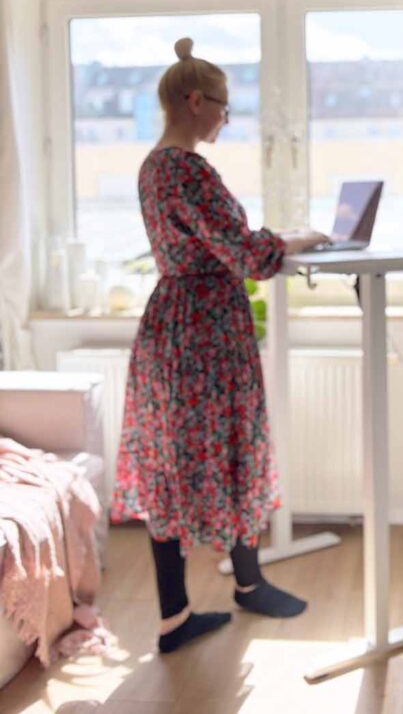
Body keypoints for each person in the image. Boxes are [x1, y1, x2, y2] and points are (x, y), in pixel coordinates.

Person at [111, 37, 328, 654]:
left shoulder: (154, 165)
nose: (228, 119)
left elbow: (219, 240)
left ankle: (178, 615)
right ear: (196, 100)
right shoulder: (187, 168)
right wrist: (297, 241)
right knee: (232, 445)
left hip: (173, 324)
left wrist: (272, 238)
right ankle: (247, 586)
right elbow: (246, 255)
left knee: (171, 464)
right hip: (205, 329)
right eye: (225, 107)